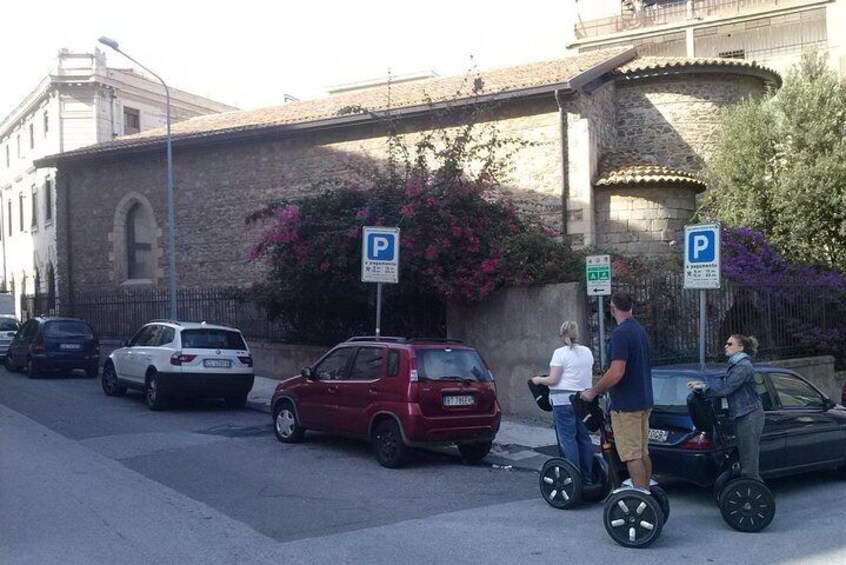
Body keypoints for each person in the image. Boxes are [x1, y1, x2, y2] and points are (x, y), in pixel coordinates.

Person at [580, 292, 653, 491]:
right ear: (631, 307)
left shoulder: (620, 334)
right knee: (642, 452)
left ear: (612, 309)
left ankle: (641, 498)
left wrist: (593, 391)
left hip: (626, 404)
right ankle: (648, 491)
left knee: (631, 455)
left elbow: (616, 372)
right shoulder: (639, 330)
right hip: (644, 400)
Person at [688, 334, 765, 482]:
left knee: (749, 462)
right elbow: (724, 383)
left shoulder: (743, 366)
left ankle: (753, 495)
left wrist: (703, 387)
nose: (726, 346)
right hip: (742, 415)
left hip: (749, 415)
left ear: (740, 348)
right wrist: (703, 386)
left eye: (730, 344)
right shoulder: (736, 365)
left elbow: (727, 387)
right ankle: (747, 491)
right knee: (743, 457)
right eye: (726, 343)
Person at [531, 321, 595, 485]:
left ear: (562, 335)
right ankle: (588, 478)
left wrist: (538, 380)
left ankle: (573, 479)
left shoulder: (560, 353)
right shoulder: (587, 351)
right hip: (583, 399)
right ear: (577, 334)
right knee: (584, 439)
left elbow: (553, 379)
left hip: (562, 401)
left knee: (568, 440)